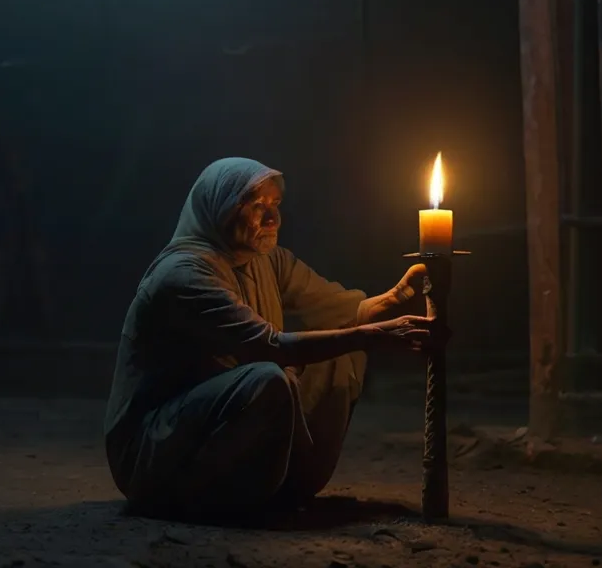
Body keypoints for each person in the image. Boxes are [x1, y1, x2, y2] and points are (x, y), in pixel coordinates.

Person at [103, 157, 442, 525]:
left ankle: (287, 483)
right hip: (155, 449)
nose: (271, 219)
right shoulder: (184, 275)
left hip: (205, 425)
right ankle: (217, 498)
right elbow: (270, 347)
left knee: (340, 354)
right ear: (218, 207)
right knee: (267, 380)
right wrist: (370, 336)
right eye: (255, 206)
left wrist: (393, 299)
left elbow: (342, 310)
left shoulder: (267, 260)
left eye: (275, 205)